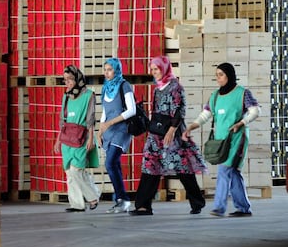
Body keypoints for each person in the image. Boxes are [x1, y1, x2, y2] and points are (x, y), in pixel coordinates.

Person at [129, 55, 207, 216]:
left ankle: (197, 201)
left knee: (182, 167)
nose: (154, 72)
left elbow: (180, 110)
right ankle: (143, 206)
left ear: (164, 68)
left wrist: (171, 131)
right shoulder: (158, 88)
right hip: (156, 134)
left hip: (173, 133)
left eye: (156, 69)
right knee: (150, 165)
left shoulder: (175, 87)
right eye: (152, 69)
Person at [183, 62, 261, 217]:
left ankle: (219, 207)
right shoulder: (215, 96)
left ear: (229, 75)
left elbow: (255, 110)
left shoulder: (242, 93)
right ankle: (243, 208)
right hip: (221, 141)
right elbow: (205, 115)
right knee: (233, 173)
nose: (218, 78)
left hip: (237, 139)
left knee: (224, 170)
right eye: (216, 75)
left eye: (221, 74)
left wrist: (241, 123)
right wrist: (191, 127)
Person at [54, 65, 100, 212]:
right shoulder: (66, 97)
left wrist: (91, 139)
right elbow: (62, 120)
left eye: (70, 79)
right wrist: (58, 141)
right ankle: (77, 204)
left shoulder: (89, 95)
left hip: (81, 138)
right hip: (67, 138)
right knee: (69, 173)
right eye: (65, 80)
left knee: (77, 170)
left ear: (77, 79)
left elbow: (91, 119)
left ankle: (92, 197)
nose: (67, 82)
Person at [97, 58, 136, 214]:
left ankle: (122, 198)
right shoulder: (106, 88)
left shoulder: (124, 85)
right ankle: (122, 201)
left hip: (122, 130)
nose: (106, 72)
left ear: (117, 70)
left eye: (109, 69)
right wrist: (99, 132)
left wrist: (110, 123)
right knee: (115, 165)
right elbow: (105, 112)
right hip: (108, 130)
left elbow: (131, 110)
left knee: (110, 162)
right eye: (105, 69)